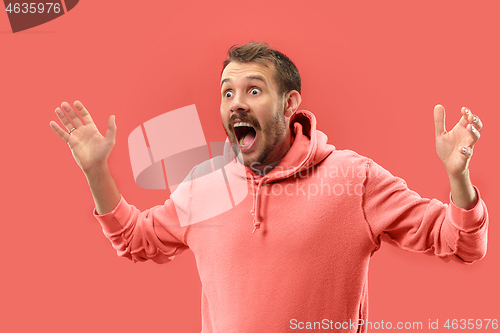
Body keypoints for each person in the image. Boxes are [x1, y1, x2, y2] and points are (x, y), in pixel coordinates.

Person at [49, 42, 488, 333]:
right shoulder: (205, 186)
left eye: (254, 89)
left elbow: (464, 243)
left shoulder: (354, 178)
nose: (236, 102)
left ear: (290, 103)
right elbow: (135, 240)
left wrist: (458, 176)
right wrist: (95, 170)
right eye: (227, 93)